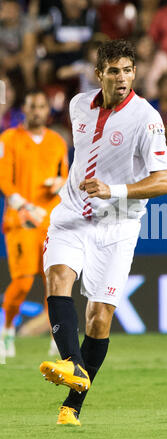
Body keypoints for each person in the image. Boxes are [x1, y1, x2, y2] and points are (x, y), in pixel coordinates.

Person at [39, 39, 167, 426]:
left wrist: (113, 190)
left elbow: (163, 180)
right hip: (71, 216)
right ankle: (71, 364)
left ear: (135, 73)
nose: (122, 78)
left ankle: (72, 404)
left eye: (128, 70)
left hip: (117, 225)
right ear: (99, 74)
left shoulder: (146, 118)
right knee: (57, 276)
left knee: (99, 318)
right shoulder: (78, 105)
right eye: (114, 71)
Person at [0, 89, 69, 357]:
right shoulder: (9, 139)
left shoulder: (57, 142)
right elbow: (4, 178)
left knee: (55, 280)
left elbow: (65, 177)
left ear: (47, 111)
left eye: (42, 106)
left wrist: (59, 183)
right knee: (23, 282)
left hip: (51, 221)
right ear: (24, 110)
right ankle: (6, 330)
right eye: (32, 106)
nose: (37, 111)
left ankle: (58, 336)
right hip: (21, 221)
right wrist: (22, 204)